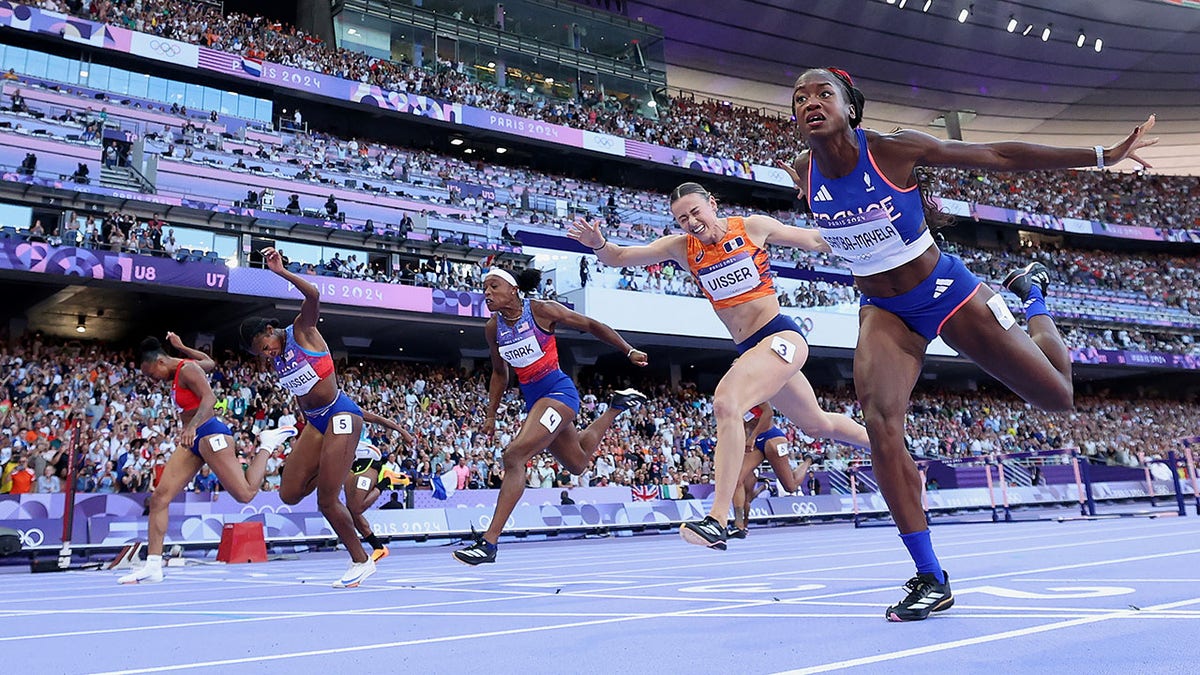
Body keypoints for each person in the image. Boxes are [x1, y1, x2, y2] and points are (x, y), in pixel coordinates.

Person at [779, 67, 1157, 621]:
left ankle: (1033, 298)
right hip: (884, 311)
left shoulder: (891, 151)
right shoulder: (803, 172)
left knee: (1059, 397)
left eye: (823, 94)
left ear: (850, 107)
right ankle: (930, 576)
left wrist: (1102, 155)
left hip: (946, 291)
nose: (811, 102)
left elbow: (998, 155)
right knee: (881, 425)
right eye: (800, 98)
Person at [568, 184, 870, 551]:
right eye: (682, 218)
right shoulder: (681, 248)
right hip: (752, 349)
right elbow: (619, 256)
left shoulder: (752, 227)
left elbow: (813, 240)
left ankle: (718, 518)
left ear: (713, 203)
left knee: (727, 402)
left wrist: (861, 226)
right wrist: (599, 243)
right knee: (816, 424)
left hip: (781, 337)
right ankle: (885, 443)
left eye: (696, 212)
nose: (691, 222)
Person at [453, 267, 648, 565]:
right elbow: (498, 372)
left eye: (493, 287)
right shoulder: (493, 328)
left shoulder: (542, 311)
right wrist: (491, 415)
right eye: (484, 289)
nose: (487, 293)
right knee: (578, 463)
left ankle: (489, 542)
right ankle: (615, 407)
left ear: (514, 289)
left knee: (514, 456)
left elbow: (591, 325)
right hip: (536, 402)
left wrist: (628, 350)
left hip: (558, 394)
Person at [240, 248, 376, 588]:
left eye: (266, 345)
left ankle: (361, 561)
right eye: (262, 354)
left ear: (271, 329)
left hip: (341, 414)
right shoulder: (274, 357)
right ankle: (341, 457)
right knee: (288, 493)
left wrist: (280, 271)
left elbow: (313, 294)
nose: (268, 353)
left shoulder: (302, 330)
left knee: (327, 500)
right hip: (316, 423)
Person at [120, 333, 295, 584]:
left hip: (210, 432)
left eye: (150, 374)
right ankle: (153, 565)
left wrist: (192, 426)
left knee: (244, 494)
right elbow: (210, 363)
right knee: (159, 498)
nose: (152, 380)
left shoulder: (187, 370)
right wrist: (181, 346)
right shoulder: (181, 368)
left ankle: (267, 445)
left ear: (159, 362)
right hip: (192, 442)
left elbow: (210, 399)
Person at [728, 401, 816, 539]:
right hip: (756, 443)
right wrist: (745, 442)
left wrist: (752, 437)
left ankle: (809, 460)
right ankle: (738, 525)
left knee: (790, 487)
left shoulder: (754, 393)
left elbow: (769, 413)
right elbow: (744, 426)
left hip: (772, 439)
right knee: (737, 479)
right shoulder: (737, 402)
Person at [344, 411, 413, 563]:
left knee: (356, 508)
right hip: (348, 462)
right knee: (351, 511)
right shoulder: (319, 413)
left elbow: (379, 419)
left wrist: (403, 432)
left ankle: (386, 480)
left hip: (366, 457)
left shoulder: (347, 408)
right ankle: (379, 548)